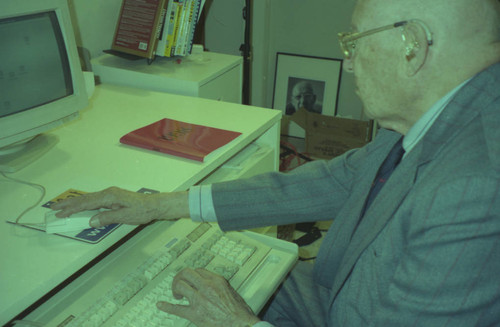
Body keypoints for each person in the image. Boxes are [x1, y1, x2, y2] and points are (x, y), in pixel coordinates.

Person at [52, 0, 500, 326]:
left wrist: (239, 324)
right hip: (338, 293)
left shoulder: (473, 188)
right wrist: (160, 205)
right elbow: (331, 180)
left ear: (412, 46)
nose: (347, 65)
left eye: (354, 42)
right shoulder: (444, 113)